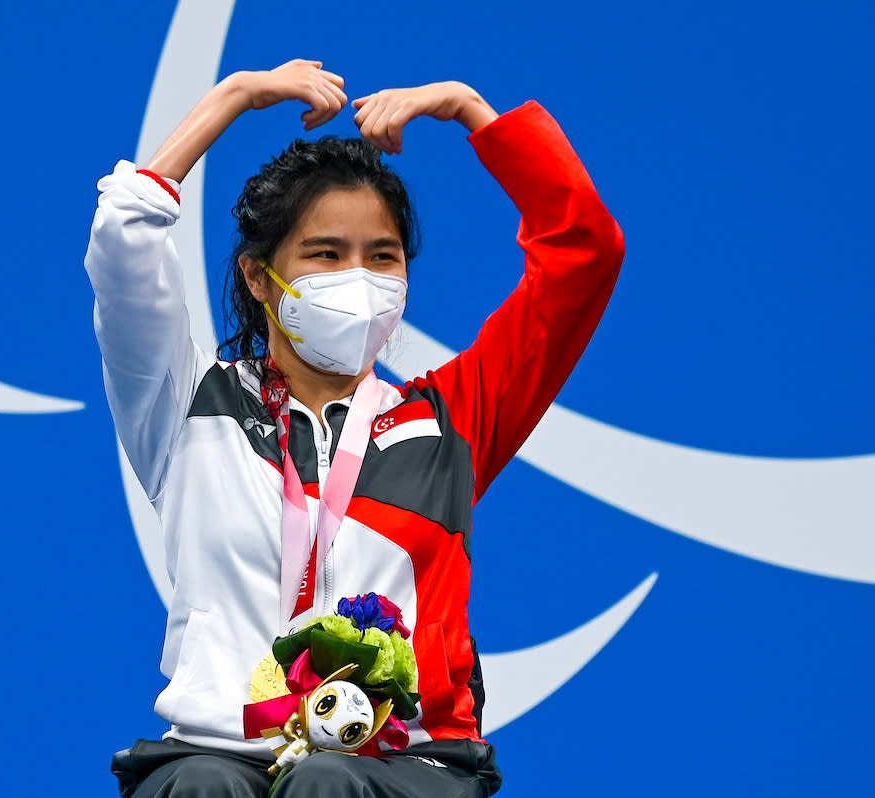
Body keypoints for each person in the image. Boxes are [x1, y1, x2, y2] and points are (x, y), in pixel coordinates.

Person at [85, 59, 624, 798]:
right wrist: (235, 96)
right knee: (202, 788)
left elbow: (583, 253)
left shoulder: (450, 420)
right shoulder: (187, 406)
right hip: (222, 746)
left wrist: (474, 110)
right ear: (256, 276)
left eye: (382, 257)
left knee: (328, 785)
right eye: (326, 255)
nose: (358, 279)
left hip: (409, 761)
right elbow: (123, 241)